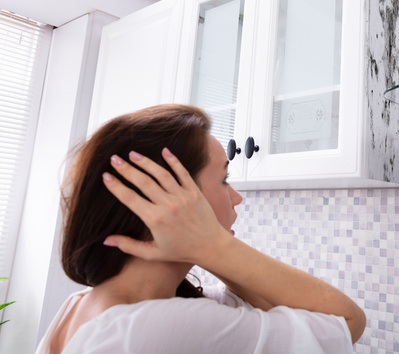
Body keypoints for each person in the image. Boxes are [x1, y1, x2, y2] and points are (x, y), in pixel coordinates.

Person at [36, 104, 365, 354]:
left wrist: (204, 245)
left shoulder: (79, 305)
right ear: (169, 201)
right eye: (224, 179)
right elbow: (347, 325)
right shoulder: (152, 326)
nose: (235, 198)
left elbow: (270, 307)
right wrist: (214, 246)